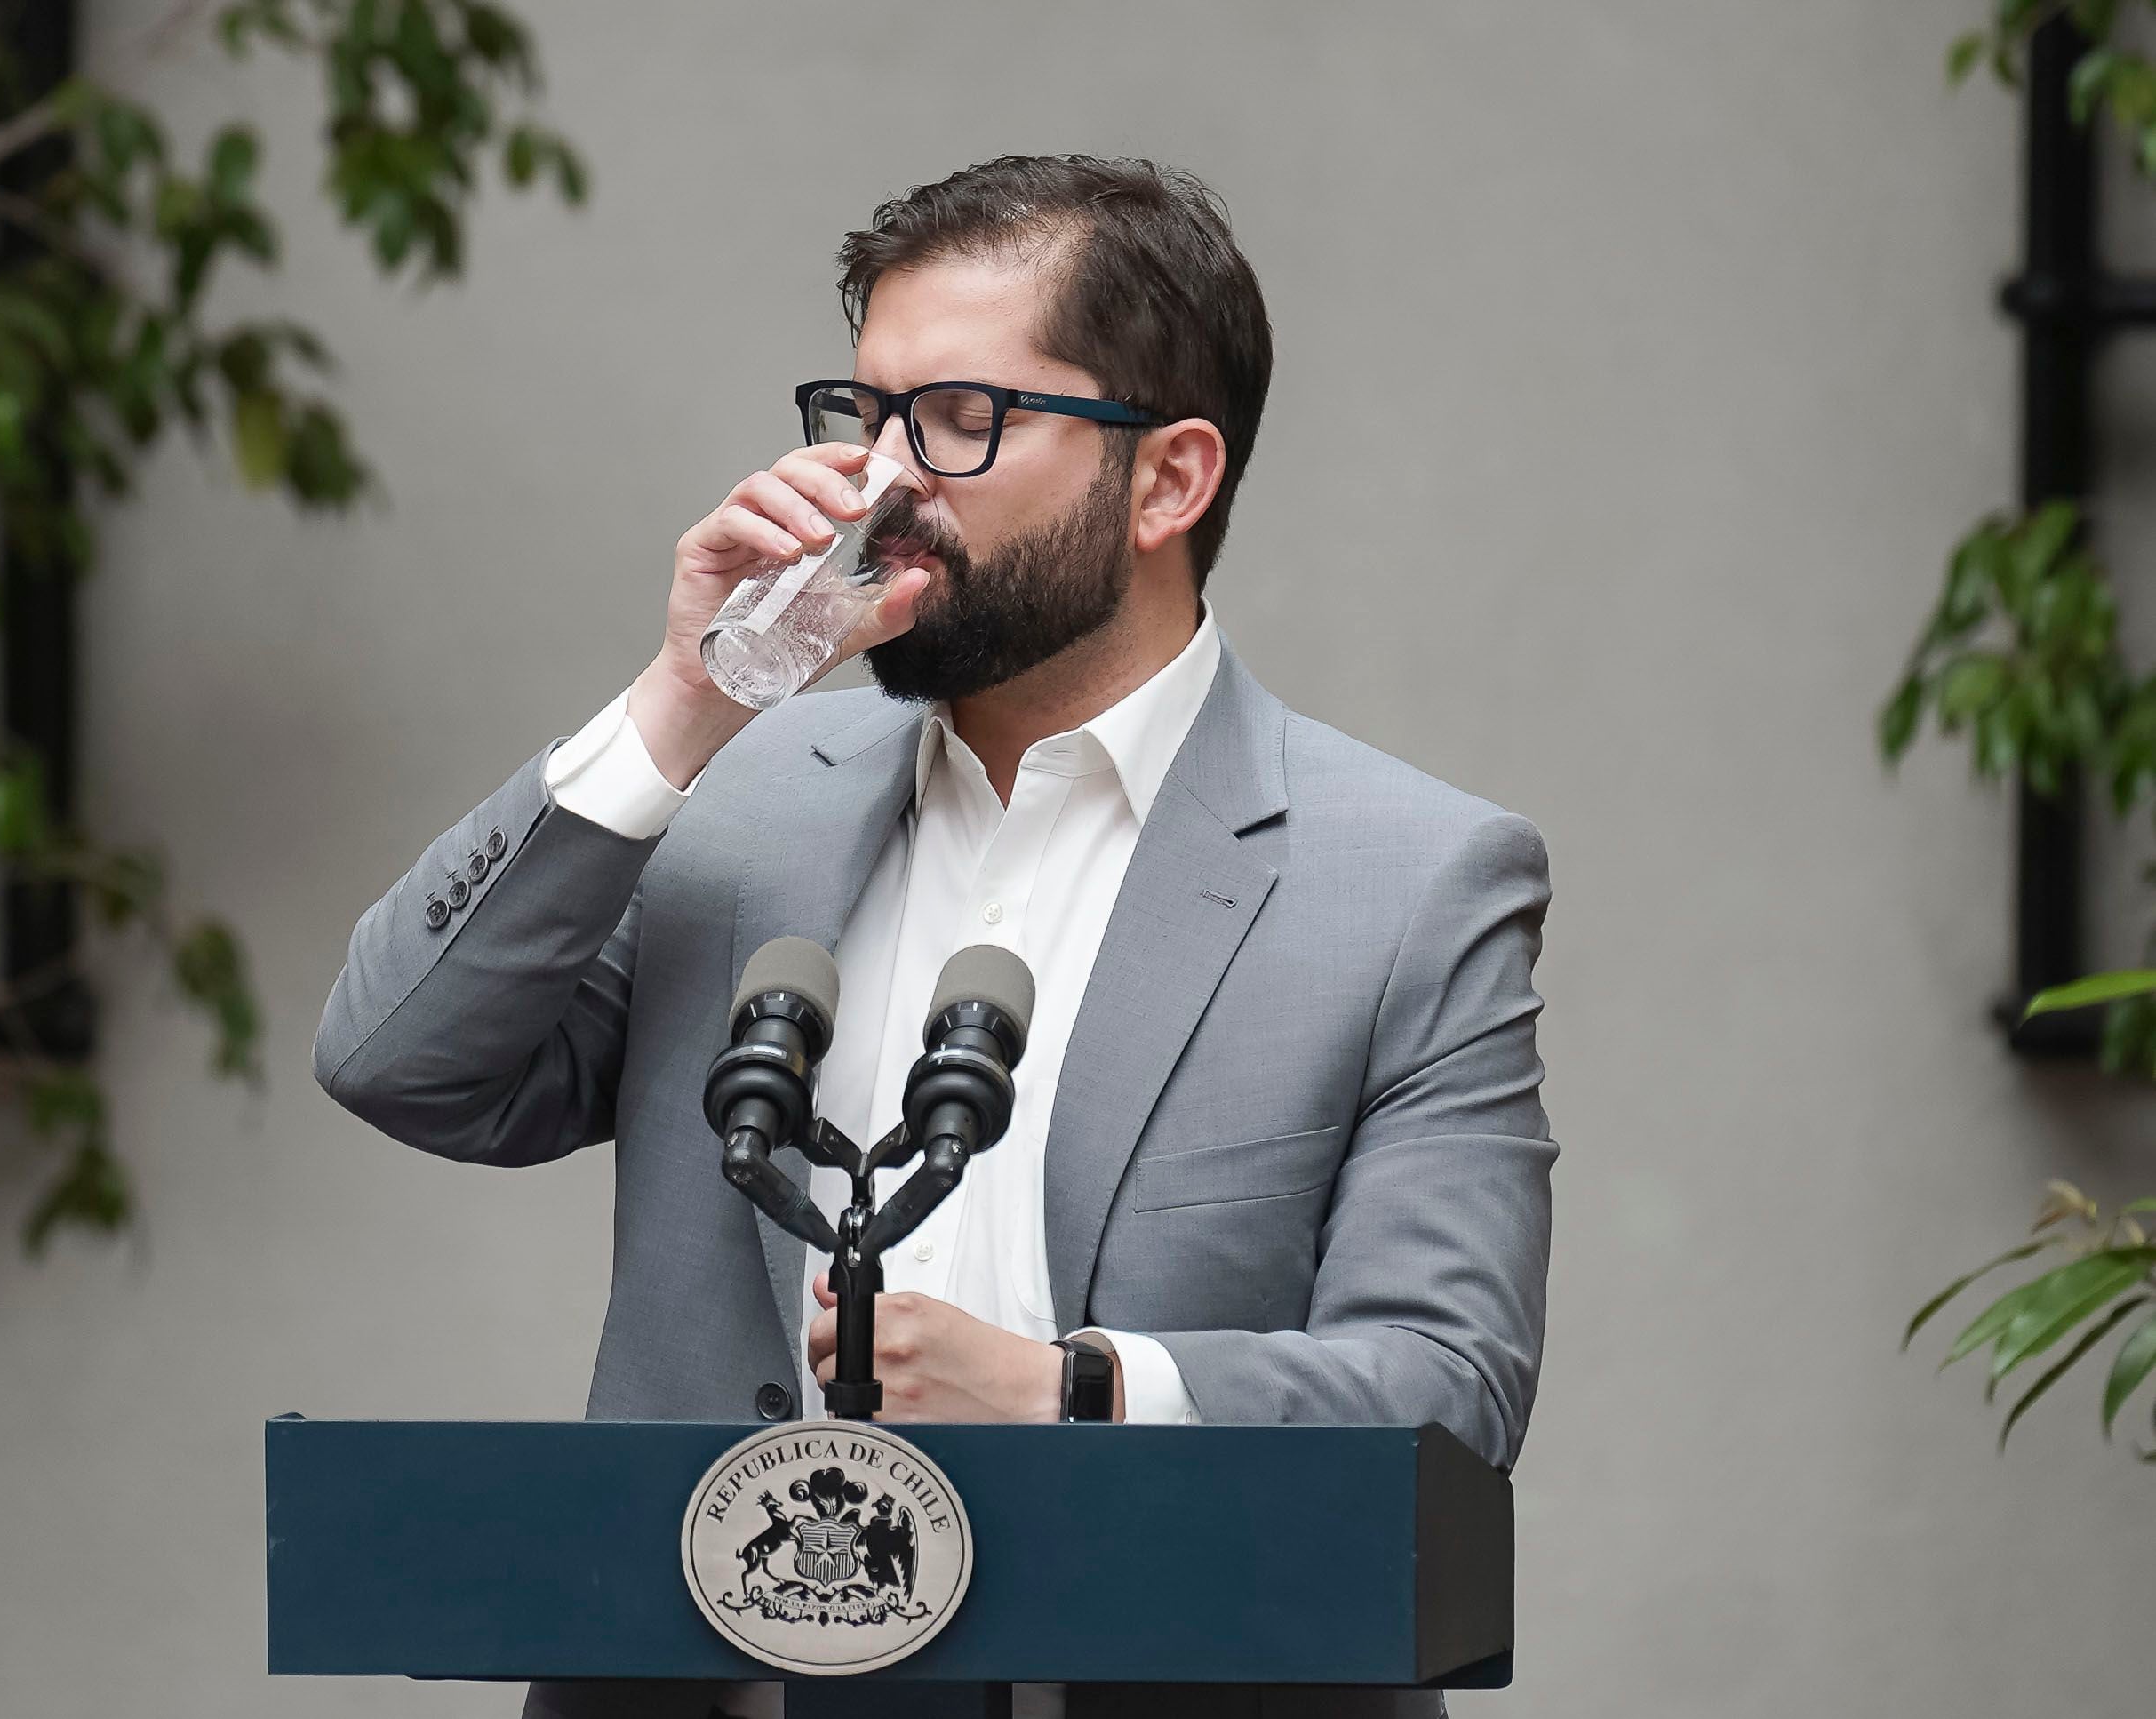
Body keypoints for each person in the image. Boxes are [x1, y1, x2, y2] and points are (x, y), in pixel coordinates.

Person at [313, 155, 1553, 1719]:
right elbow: (398, 1061)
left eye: (959, 418)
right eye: (865, 412)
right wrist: (685, 697)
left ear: (1168, 479)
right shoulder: (736, 798)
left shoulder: (1409, 881)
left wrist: (1067, 1390)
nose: (881, 481)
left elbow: (1447, 1387)